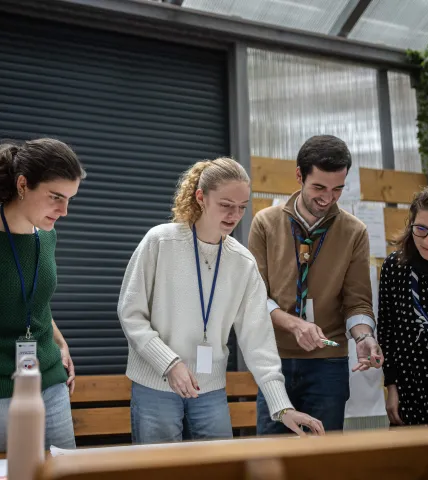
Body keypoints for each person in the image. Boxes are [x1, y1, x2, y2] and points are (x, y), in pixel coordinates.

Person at [118, 157, 324, 445]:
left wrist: (282, 405)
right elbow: (131, 313)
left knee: (220, 470)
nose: (234, 215)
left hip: (210, 389)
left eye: (242, 207)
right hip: (156, 385)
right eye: (226, 205)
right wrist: (169, 364)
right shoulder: (160, 242)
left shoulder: (242, 262)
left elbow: (258, 341)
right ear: (201, 197)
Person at [0, 138, 86, 454]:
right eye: (55, 197)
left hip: (51, 386)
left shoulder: (47, 235)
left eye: (69, 199)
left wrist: (59, 342)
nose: (64, 211)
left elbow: (33, 301)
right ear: (23, 184)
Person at [248, 135, 384, 435]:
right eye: (319, 188)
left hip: (328, 367)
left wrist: (363, 337)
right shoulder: (265, 223)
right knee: (272, 460)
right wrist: (295, 325)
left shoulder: (355, 232)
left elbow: (358, 301)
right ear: (299, 175)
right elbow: (254, 297)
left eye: (337, 189)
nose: (327, 198)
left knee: (323, 461)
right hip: (274, 362)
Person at [378, 187, 428, 426]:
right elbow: (387, 332)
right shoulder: (395, 267)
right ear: (411, 225)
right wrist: (391, 387)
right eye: (421, 229)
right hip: (410, 393)